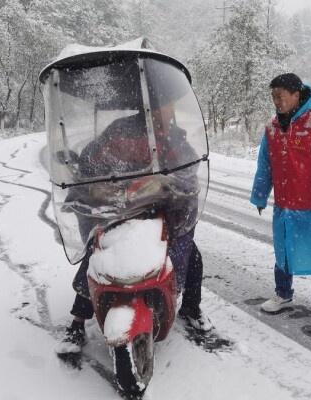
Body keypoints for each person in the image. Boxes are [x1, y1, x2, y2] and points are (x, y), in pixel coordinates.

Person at [57, 100, 213, 354]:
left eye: (169, 105)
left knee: (191, 256)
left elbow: (188, 166)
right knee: (96, 255)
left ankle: (190, 308)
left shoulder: (175, 138)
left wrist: (174, 182)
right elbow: (91, 158)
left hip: (160, 208)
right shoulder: (120, 130)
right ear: (149, 106)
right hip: (120, 209)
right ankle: (77, 322)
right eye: (164, 105)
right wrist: (88, 175)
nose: (169, 111)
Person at [250, 73, 311, 326]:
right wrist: (260, 195)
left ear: (295, 94)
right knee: (284, 252)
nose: (276, 102)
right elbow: (265, 166)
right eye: (273, 97)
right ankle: (283, 294)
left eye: (280, 96)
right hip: (284, 205)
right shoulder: (272, 128)